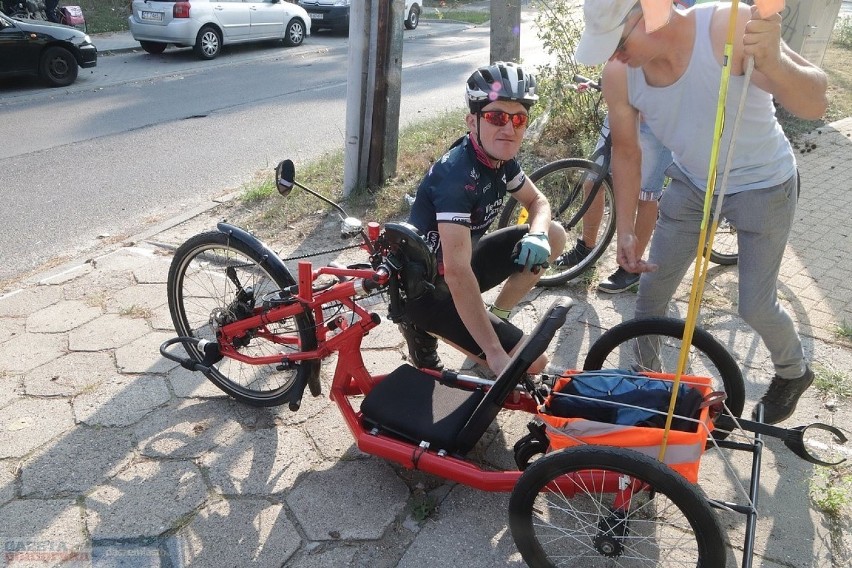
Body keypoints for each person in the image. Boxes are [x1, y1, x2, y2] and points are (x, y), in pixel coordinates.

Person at [576, 0, 828, 423]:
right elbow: (626, 151)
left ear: (649, 13)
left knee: (755, 306)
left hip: (764, 184)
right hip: (693, 184)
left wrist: (777, 62)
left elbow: (815, 102)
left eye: (617, 41)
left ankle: (793, 371)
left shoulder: (729, 26)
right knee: (650, 297)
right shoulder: (620, 74)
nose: (613, 54)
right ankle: (646, 386)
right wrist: (624, 231)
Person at [400, 61, 567, 376]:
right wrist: (494, 353)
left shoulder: (498, 158)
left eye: (519, 119)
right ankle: (421, 328)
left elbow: (537, 201)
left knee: (555, 234)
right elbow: (458, 274)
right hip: (426, 289)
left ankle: (498, 316)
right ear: (472, 121)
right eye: (496, 117)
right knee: (533, 364)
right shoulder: (456, 178)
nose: (509, 128)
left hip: (459, 263)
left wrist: (539, 234)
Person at [557, 111, 671, 294]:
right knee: (593, 180)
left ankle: (631, 269)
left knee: (646, 195)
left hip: (657, 123)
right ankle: (586, 250)